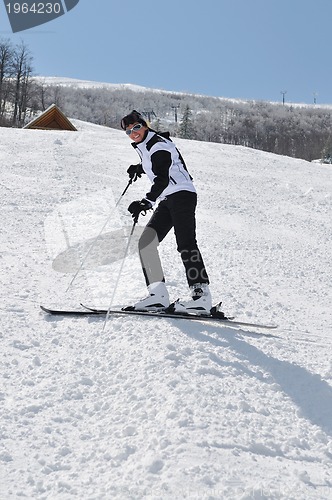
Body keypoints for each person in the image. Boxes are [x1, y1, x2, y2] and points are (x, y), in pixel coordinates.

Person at [121, 110, 212, 315]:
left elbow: (162, 177)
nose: (133, 133)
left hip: (181, 195)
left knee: (186, 243)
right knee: (146, 243)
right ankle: (158, 296)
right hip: (168, 198)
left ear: (145, 125)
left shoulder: (158, 144)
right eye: (128, 131)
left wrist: (146, 201)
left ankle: (202, 297)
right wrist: (140, 167)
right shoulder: (147, 144)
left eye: (136, 127)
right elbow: (159, 165)